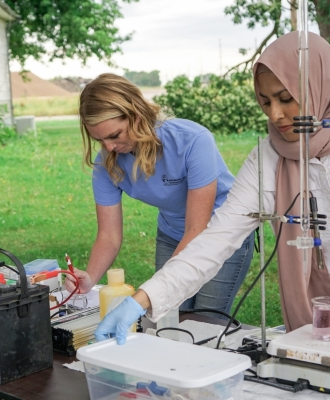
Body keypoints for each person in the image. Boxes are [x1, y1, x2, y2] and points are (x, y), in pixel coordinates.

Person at [94, 32, 330, 363]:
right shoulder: (265, 160)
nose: (274, 114)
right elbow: (214, 242)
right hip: (325, 338)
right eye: (265, 101)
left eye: (285, 99)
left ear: (319, 86)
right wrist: (141, 301)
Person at [64, 73, 254, 317]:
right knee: (170, 317)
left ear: (137, 115)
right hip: (172, 233)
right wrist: (89, 278)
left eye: (115, 135)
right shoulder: (107, 163)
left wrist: (154, 291)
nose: (109, 147)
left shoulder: (193, 141)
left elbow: (197, 229)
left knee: (206, 320)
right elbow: (109, 235)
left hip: (220, 232)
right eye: (99, 140)